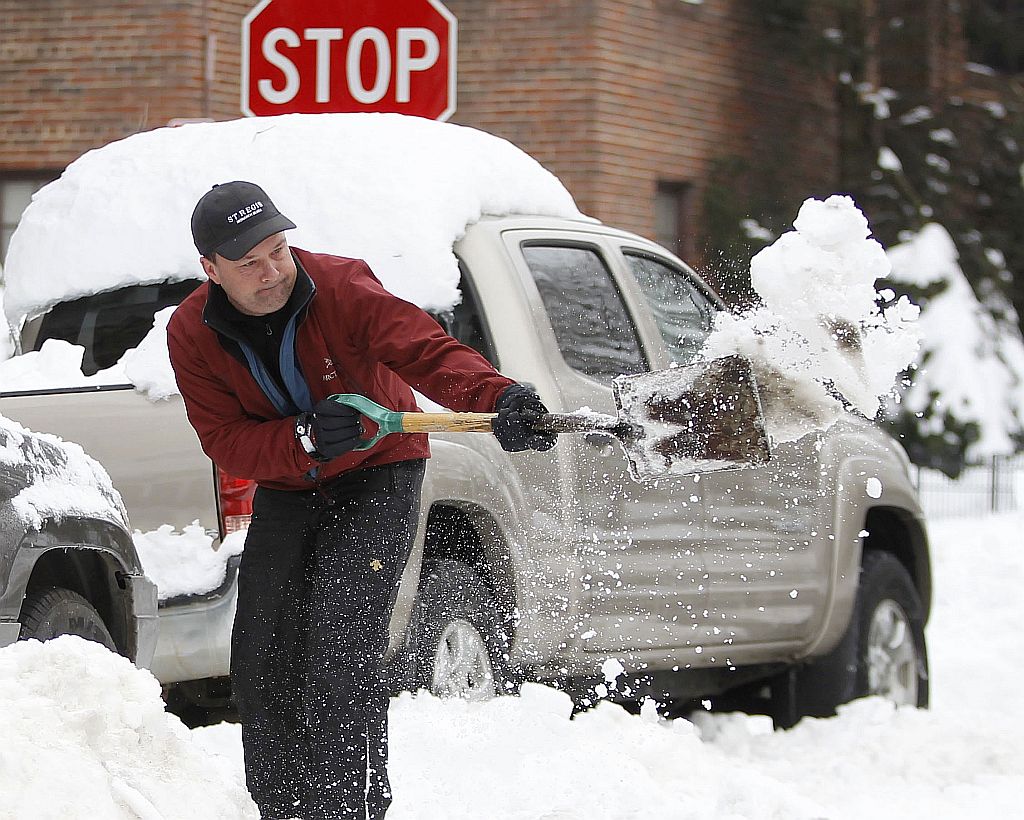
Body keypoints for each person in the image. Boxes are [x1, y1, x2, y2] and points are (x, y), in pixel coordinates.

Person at [166, 181, 555, 820]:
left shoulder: (341, 287)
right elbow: (226, 439)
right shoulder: (192, 332)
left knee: (339, 648)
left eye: (278, 251)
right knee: (262, 657)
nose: (272, 273)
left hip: (379, 469)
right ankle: (283, 810)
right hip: (291, 486)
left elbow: (422, 349)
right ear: (210, 270)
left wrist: (496, 397)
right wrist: (303, 438)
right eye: (249, 264)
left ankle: (349, 810)